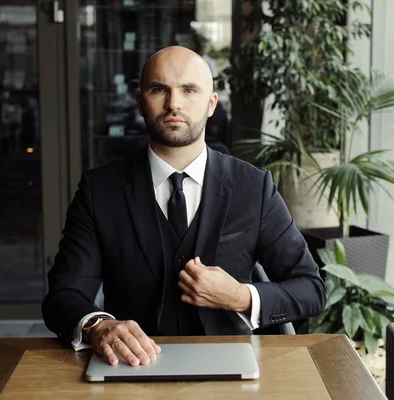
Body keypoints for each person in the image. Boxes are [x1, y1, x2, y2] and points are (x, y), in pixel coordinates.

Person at [42, 46, 326, 368]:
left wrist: (240, 296)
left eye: (189, 90)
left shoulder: (253, 187)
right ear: (139, 103)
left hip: (231, 371)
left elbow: (310, 288)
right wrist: (97, 325)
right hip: (131, 370)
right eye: (159, 89)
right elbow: (63, 296)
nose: (173, 103)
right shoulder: (100, 190)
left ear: (211, 104)